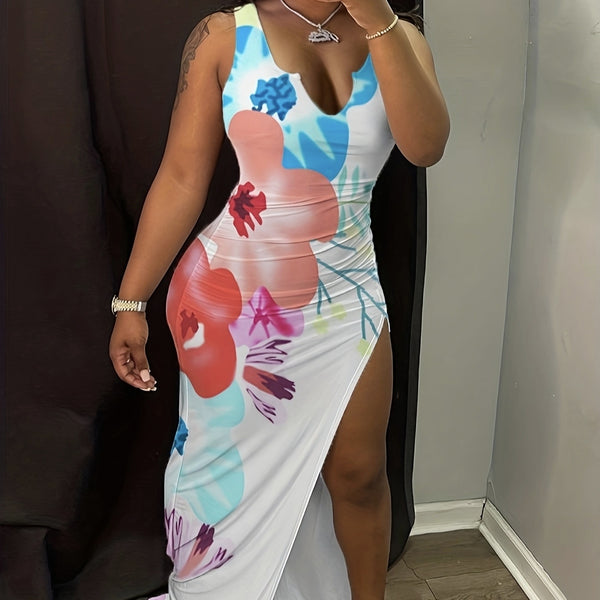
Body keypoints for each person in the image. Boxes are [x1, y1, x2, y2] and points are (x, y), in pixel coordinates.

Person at [109, 0, 449, 598]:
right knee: (221, 477)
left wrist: (377, 17)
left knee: (361, 475)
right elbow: (182, 176)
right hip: (230, 303)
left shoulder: (400, 38)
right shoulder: (224, 36)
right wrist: (131, 302)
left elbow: (425, 147)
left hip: (348, 298)